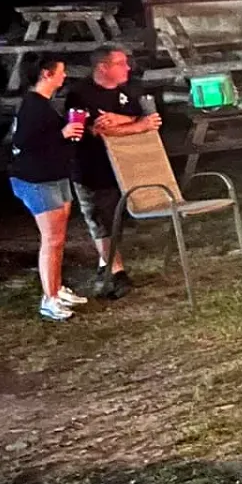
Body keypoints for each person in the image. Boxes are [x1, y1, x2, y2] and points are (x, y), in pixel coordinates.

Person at [65, 43, 161, 299]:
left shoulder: (131, 88)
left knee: (117, 219)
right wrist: (136, 125)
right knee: (100, 219)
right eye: (120, 63)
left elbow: (152, 119)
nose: (127, 67)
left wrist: (125, 121)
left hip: (127, 165)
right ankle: (116, 274)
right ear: (102, 67)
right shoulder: (80, 94)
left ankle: (105, 266)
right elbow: (97, 130)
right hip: (91, 168)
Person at [9, 54, 89, 321]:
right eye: (61, 71)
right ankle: (49, 298)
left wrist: (69, 135)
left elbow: (50, 139)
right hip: (36, 179)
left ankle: (56, 287)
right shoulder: (32, 105)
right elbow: (23, 143)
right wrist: (62, 134)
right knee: (52, 239)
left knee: (59, 237)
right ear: (46, 74)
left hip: (55, 174)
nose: (64, 76)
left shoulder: (45, 104)